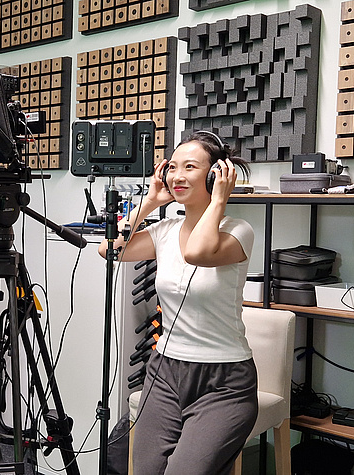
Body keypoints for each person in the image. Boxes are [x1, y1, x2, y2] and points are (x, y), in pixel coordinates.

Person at [98, 131, 255, 474]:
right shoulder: (165, 230)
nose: (177, 176)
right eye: (173, 167)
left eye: (190, 167)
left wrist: (218, 201)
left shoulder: (238, 231)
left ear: (215, 175)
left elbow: (197, 252)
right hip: (164, 372)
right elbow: (109, 249)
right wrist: (150, 202)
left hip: (224, 381)